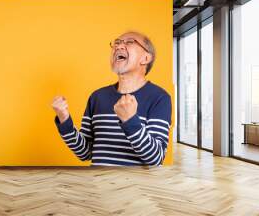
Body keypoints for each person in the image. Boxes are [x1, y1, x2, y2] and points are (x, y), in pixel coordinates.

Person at [51, 31, 172, 166]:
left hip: (137, 186)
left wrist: (130, 121)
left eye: (130, 42)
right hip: (98, 184)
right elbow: (85, 153)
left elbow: (155, 159)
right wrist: (64, 120)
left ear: (145, 58)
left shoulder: (159, 98)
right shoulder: (97, 97)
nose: (119, 46)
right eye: (117, 42)